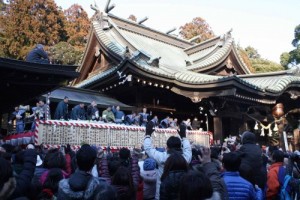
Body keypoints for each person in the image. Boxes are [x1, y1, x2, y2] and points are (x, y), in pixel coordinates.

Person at [143, 122, 192, 200]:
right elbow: (188, 149)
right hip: (181, 195)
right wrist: (184, 137)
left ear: (167, 147)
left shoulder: (162, 157)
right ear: (180, 147)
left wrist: (148, 134)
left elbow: (148, 148)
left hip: (162, 194)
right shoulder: (185, 158)